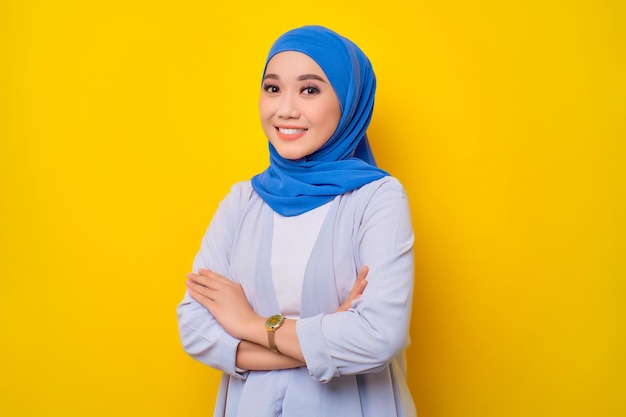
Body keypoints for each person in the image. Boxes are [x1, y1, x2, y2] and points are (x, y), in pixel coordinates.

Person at [177, 25, 416, 417]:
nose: (285, 109)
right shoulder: (243, 201)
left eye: (309, 89)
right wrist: (325, 331)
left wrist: (252, 325)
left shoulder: (377, 198)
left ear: (349, 101)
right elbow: (194, 327)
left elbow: (378, 336)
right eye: (273, 88)